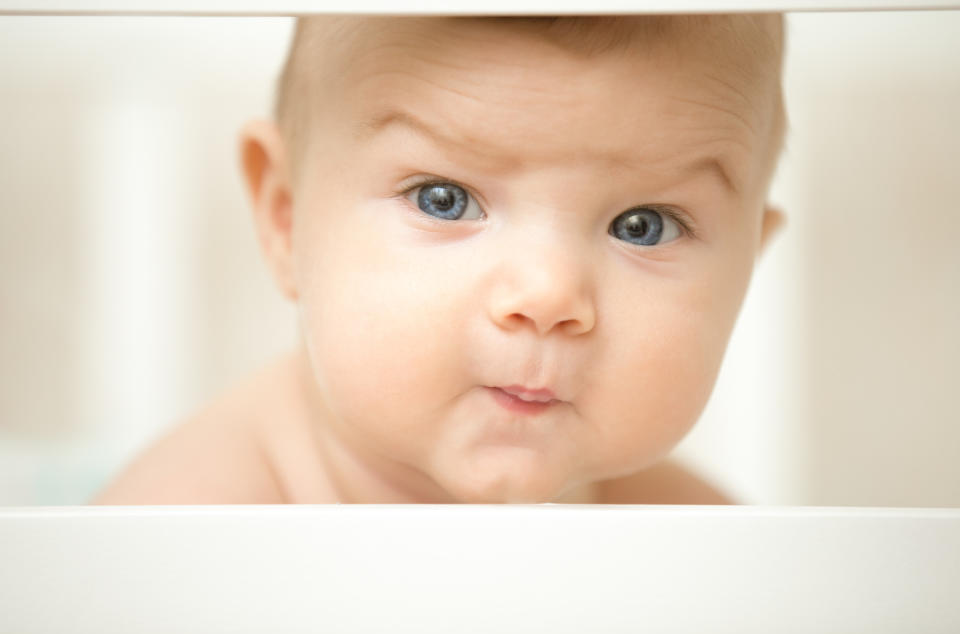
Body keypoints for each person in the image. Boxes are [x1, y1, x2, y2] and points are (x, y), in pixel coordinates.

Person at [92, 14, 787, 505]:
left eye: (643, 226)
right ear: (286, 216)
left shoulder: (700, 549)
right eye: (444, 199)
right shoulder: (187, 530)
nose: (547, 294)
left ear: (747, 270)